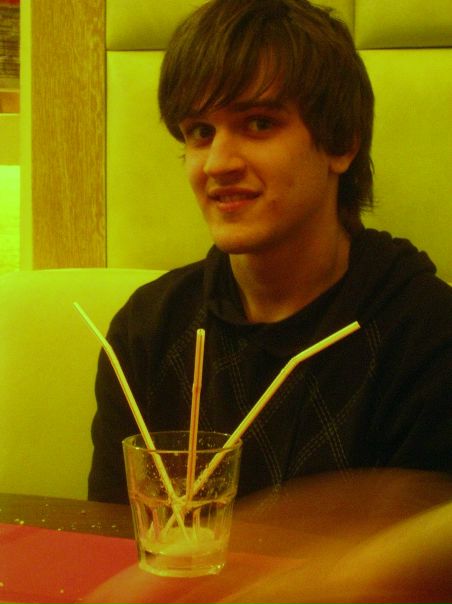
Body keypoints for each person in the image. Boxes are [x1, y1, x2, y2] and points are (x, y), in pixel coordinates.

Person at [88, 0, 452, 504]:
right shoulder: (149, 330)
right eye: (201, 132)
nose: (217, 163)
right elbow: (107, 537)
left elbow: (424, 542)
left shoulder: (425, 335)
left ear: (341, 143)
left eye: (258, 123)